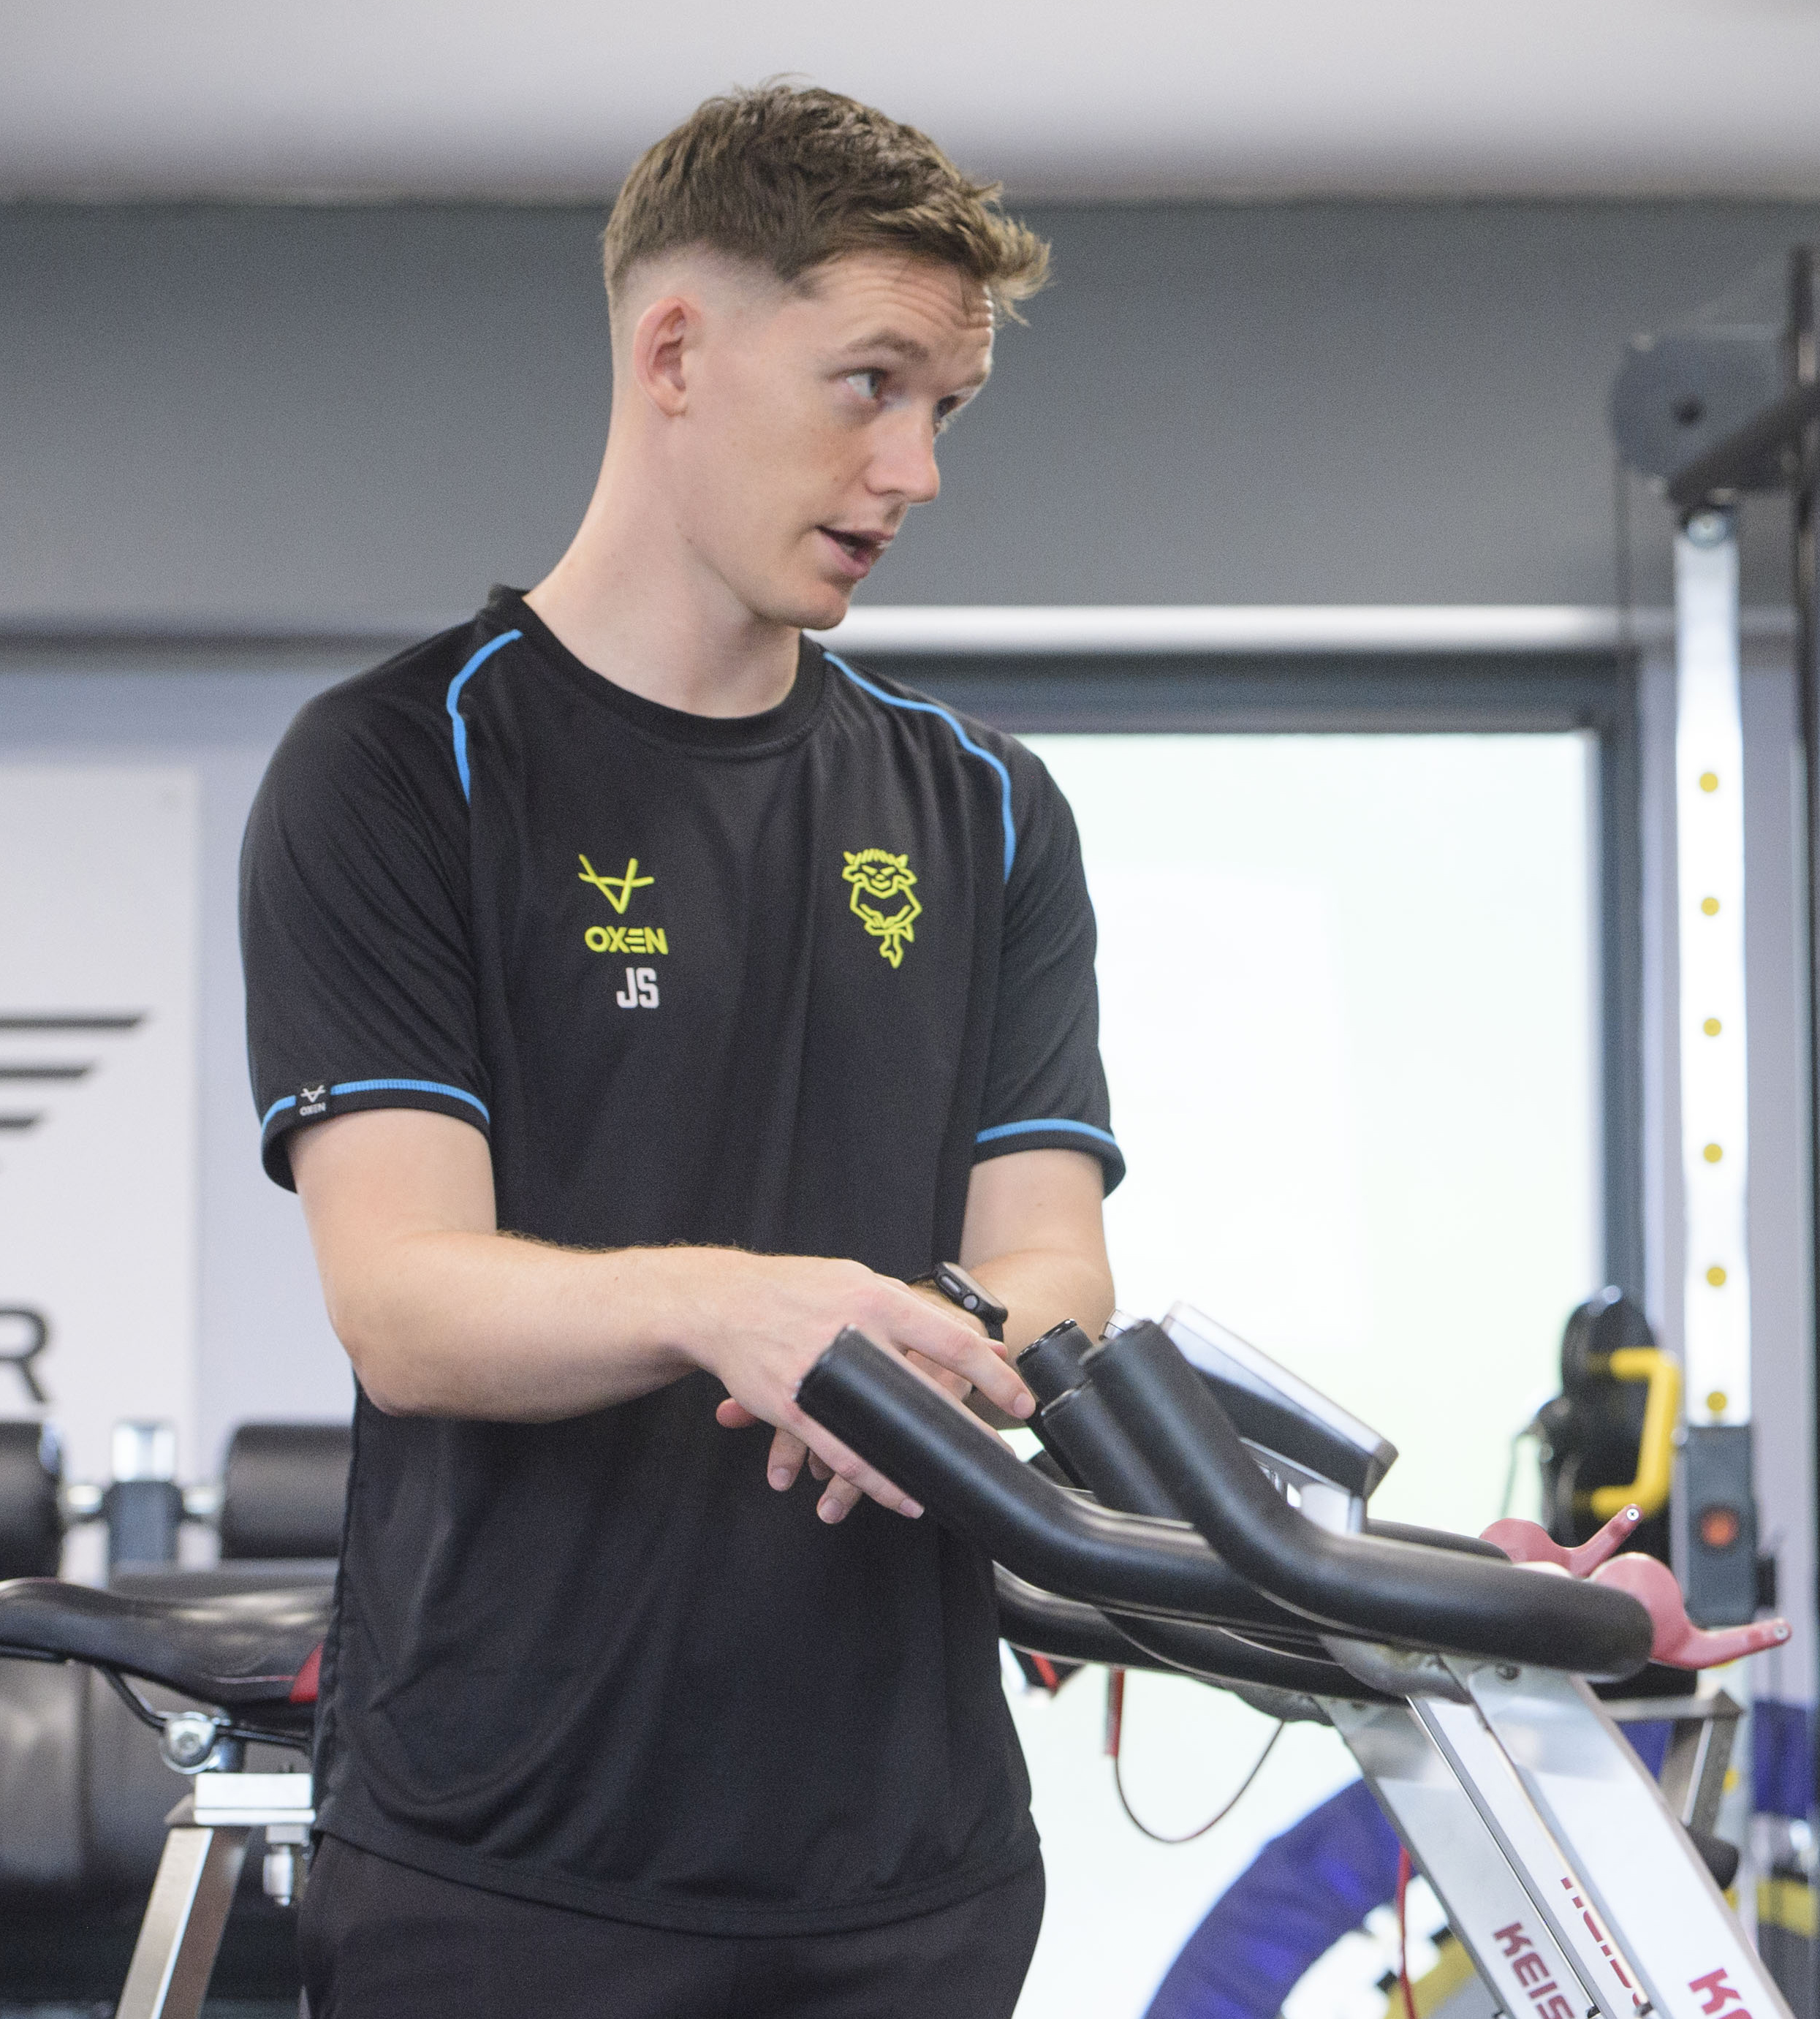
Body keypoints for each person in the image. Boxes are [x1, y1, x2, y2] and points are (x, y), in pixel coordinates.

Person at [240, 83, 1115, 2015]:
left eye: (946, 410)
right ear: (676, 354)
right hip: (511, 1860)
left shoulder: (985, 809)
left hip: (912, 1866)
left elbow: (1049, 1248)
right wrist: (737, 1308)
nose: (918, 472)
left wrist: (945, 1362)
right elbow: (402, 1300)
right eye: (870, 385)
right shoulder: (404, 769)